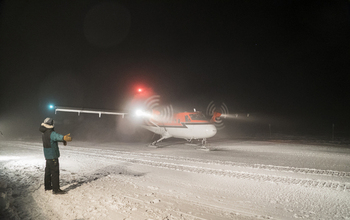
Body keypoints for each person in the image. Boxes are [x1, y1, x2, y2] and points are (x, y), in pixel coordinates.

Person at [39, 118, 72, 194]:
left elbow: (53, 139)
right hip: (53, 155)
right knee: (55, 172)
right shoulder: (51, 132)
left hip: (47, 155)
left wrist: (62, 140)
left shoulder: (44, 132)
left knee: (48, 171)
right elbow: (56, 136)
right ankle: (56, 189)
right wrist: (64, 138)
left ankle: (47, 186)